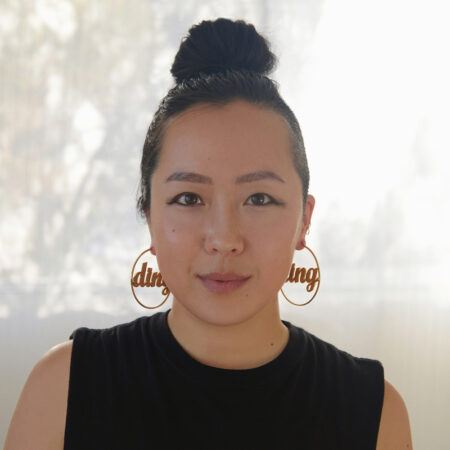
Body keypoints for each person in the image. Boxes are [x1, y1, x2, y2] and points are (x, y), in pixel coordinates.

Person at [4, 18, 412, 450]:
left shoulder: (374, 412)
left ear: (304, 220)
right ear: (148, 215)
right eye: (188, 198)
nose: (224, 238)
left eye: (258, 198)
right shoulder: (62, 388)